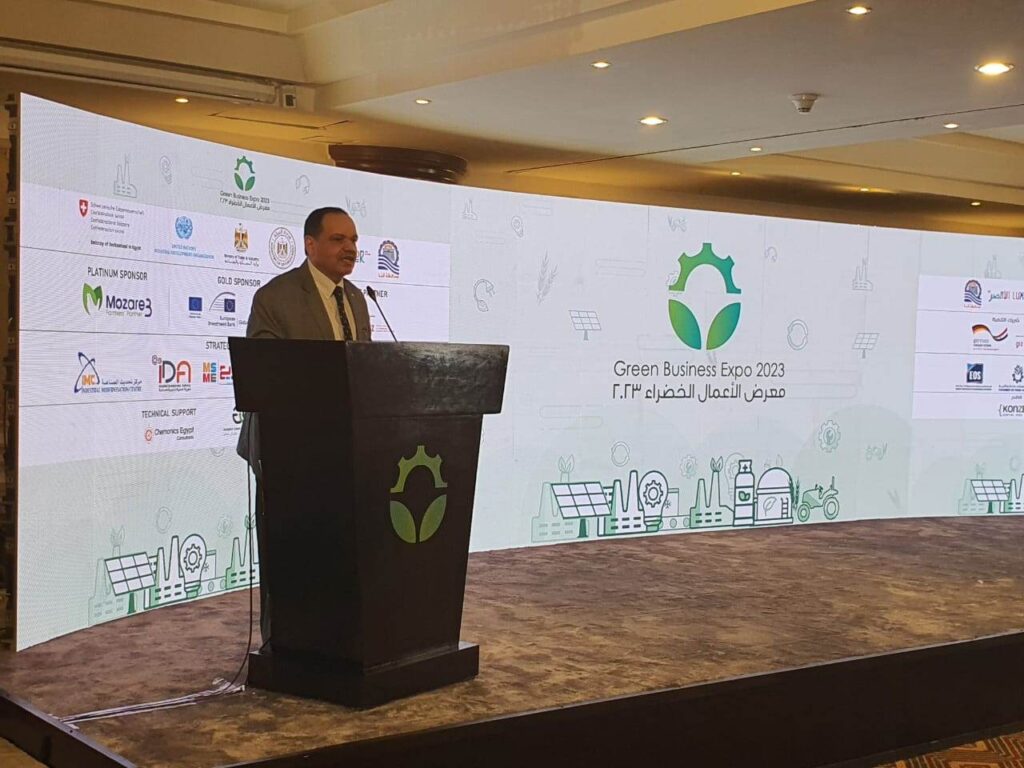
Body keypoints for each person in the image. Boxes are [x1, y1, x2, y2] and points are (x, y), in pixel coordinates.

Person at [237, 206, 373, 645]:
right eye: (338, 239)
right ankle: (285, 644)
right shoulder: (275, 297)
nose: (350, 248)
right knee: (292, 554)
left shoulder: (356, 299)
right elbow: (264, 374)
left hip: (346, 449)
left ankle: (338, 638)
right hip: (290, 452)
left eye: (353, 240)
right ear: (310, 245)